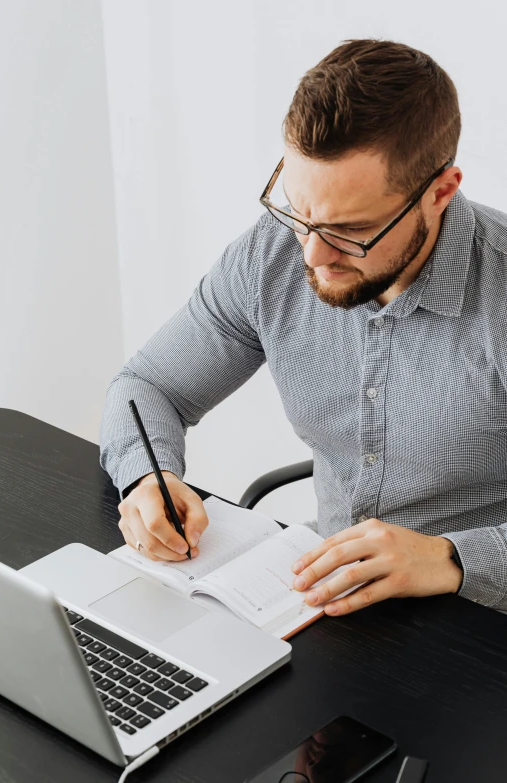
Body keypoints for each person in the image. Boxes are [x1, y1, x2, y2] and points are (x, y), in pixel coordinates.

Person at [100, 38, 507, 617]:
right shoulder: (272, 255)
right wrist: (148, 478)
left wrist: (450, 559)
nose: (313, 256)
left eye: (350, 230)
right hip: (320, 602)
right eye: (297, 209)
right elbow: (147, 387)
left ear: (440, 192)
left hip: (476, 625)